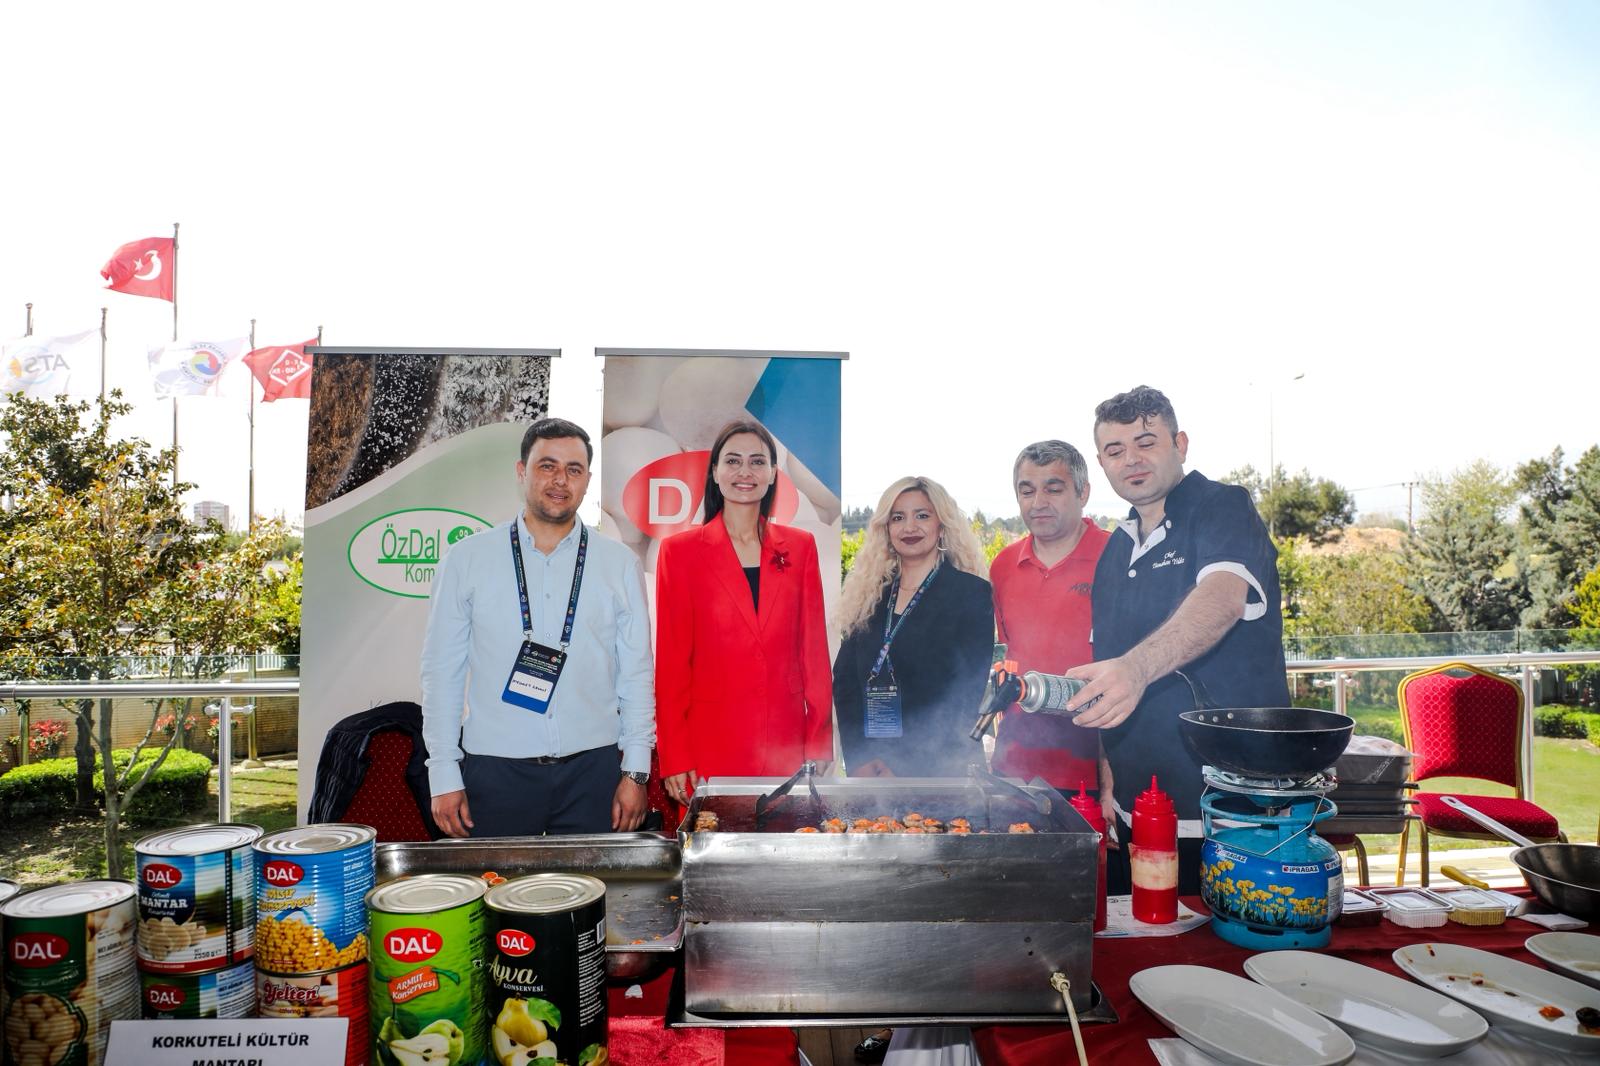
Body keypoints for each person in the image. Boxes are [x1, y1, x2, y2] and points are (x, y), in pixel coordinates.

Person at [1067, 386, 1290, 894]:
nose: (1132, 460)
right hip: (1136, 808)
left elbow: (1223, 597)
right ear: (1101, 463)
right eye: (1115, 450)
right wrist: (1108, 783)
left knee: (1227, 959)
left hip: (1227, 809)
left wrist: (1139, 668)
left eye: (1146, 441)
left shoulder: (1222, 507)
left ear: (1180, 443)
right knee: (1142, 956)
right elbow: (1109, 673)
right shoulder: (1115, 549)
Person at [419, 418, 655, 838]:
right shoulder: (467, 559)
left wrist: (635, 772)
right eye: (547, 466)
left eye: (574, 469)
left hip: (594, 772)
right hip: (495, 771)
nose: (560, 480)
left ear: (587, 481)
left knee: (592, 899)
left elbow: (636, 674)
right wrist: (443, 772)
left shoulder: (618, 563)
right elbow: (442, 673)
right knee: (495, 895)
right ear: (521, 471)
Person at [655, 419, 833, 805]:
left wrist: (819, 740)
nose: (744, 472)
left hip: (787, 742)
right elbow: (671, 665)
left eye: (757, 462)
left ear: (772, 473)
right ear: (715, 472)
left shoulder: (800, 548)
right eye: (732, 461)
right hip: (710, 743)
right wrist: (674, 756)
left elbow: (814, 654)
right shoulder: (680, 553)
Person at [832, 476, 994, 778]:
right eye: (898, 517)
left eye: (922, 515)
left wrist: (904, 768)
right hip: (873, 770)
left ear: (941, 526)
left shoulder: (971, 593)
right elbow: (845, 682)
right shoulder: (870, 596)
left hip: (942, 770)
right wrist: (860, 759)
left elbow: (964, 696)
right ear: (886, 529)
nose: (909, 527)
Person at [988, 440, 1110, 793]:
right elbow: (1009, 657)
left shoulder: (1116, 556)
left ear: (1083, 491)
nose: (1038, 503)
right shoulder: (1003, 565)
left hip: (1095, 771)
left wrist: (1111, 780)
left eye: (1053, 489)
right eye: (1027, 491)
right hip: (1014, 769)